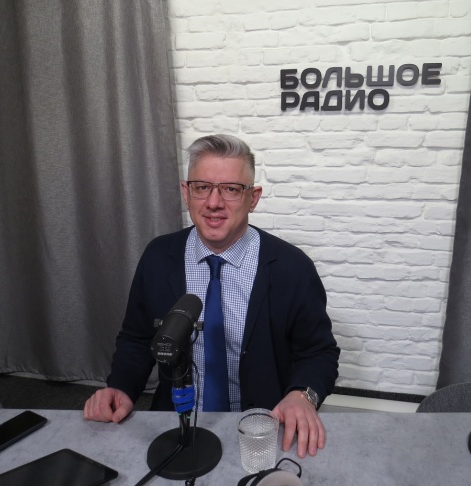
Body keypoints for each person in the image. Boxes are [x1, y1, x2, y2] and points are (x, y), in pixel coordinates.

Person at [84, 134, 339, 459]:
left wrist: (303, 395)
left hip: (262, 428)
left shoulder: (292, 268)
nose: (214, 202)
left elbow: (319, 353)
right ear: (186, 192)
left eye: (231, 189)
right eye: (202, 187)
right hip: (176, 424)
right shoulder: (159, 257)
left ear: (253, 198)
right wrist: (120, 386)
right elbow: (137, 338)